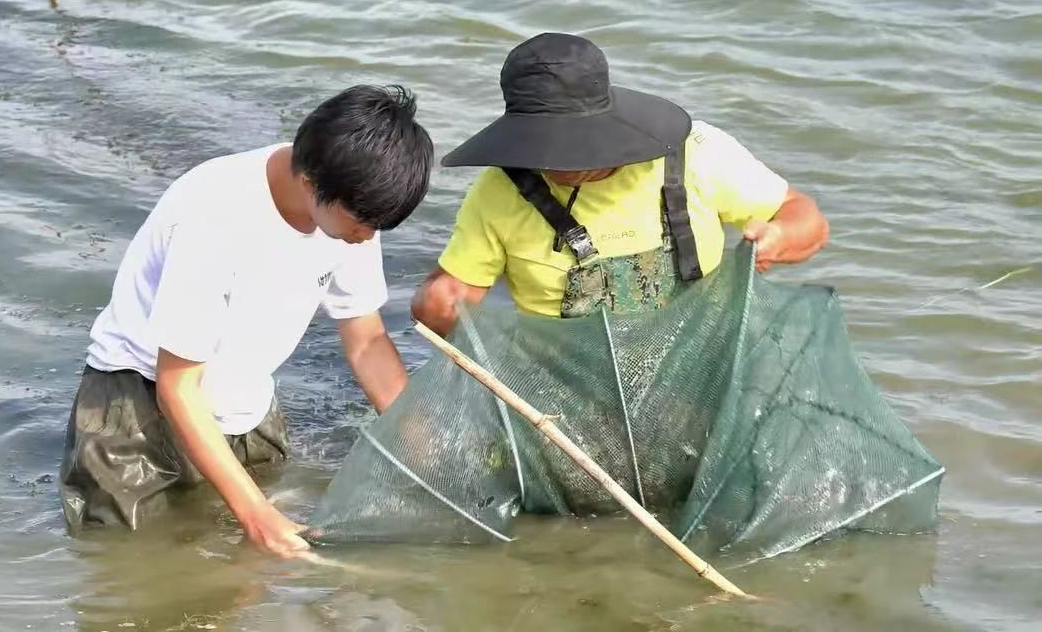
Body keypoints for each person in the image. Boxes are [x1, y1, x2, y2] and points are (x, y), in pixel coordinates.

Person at [60, 85, 433, 558]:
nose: (368, 236)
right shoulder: (215, 218)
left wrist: (422, 446)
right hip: (139, 397)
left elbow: (366, 342)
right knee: (135, 569)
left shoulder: (353, 214)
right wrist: (255, 514)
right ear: (312, 180)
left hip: (243, 401)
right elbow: (178, 385)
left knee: (239, 568)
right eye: (363, 222)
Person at [412, 32, 829, 334]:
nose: (559, 161)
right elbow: (451, 298)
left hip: (701, 361)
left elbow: (805, 218)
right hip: (564, 384)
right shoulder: (498, 192)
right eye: (544, 148)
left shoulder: (695, 153)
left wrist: (780, 236)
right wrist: (438, 305)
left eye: (574, 148)